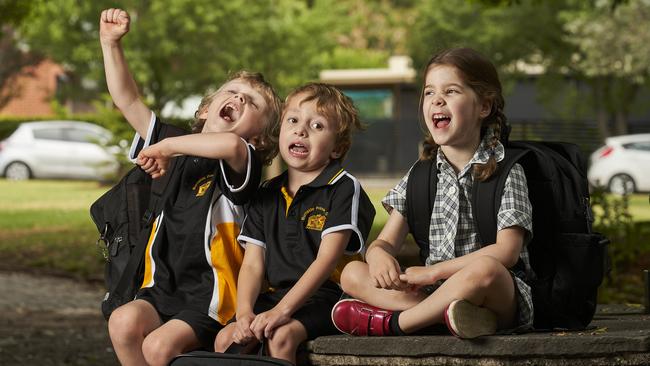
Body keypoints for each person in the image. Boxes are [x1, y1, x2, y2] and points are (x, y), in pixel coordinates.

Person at [99, 8, 282, 366]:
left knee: (158, 348)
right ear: (205, 110)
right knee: (122, 322)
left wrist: (166, 147)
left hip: (211, 295)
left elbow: (228, 146)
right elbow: (128, 100)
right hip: (161, 286)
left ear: (258, 138)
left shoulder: (241, 158)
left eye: (252, 101)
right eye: (232, 92)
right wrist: (110, 44)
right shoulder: (176, 142)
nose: (240, 98)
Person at [331, 47, 534, 339]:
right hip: (433, 292)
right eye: (429, 92)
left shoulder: (505, 170)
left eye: (451, 91)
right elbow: (386, 240)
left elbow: (507, 252)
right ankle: (454, 318)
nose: (437, 99)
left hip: (495, 293)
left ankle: (398, 324)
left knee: (486, 269)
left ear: (484, 106)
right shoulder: (422, 174)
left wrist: (432, 273)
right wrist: (378, 255)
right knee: (352, 273)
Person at [213, 83, 375, 364]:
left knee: (280, 335)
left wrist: (282, 311)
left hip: (329, 297)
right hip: (277, 295)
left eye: (317, 126)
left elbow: (326, 261)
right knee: (225, 338)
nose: (301, 130)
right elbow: (252, 264)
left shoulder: (342, 188)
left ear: (337, 148)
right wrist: (244, 314)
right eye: (294, 120)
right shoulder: (266, 193)